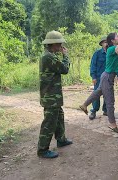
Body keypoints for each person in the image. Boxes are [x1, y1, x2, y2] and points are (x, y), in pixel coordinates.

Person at [37, 30, 73, 158]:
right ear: (53, 44)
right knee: (49, 123)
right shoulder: (49, 57)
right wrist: (66, 56)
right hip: (51, 96)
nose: (60, 46)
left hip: (52, 95)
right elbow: (65, 69)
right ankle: (42, 150)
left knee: (59, 117)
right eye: (59, 44)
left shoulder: (49, 55)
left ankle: (61, 139)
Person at [89, 37, 108, 120]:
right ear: (102, 44)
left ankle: (106, 110)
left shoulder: (111, 53)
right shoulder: (97, 53)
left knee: (107, 94)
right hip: (98, 77)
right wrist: (93, 77)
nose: (106, 44)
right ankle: (94, 111)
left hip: (108, 77)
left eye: (107, 42)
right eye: (104, 42)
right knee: (96, 94)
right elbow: (93, 65)